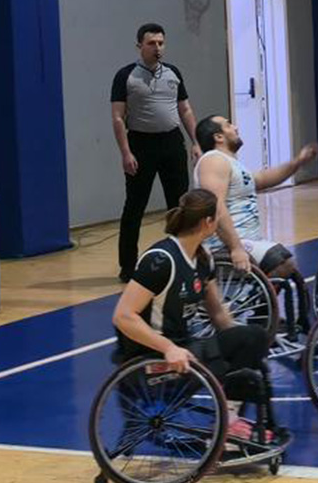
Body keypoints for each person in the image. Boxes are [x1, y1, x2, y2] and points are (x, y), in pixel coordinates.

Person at [112, 188, 271, 439]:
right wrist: (168, 348)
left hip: (185, 347)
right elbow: (122, 316)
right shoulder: (160, 260)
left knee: (253, 338)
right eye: (218, 218)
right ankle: (228, 426)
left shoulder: (202, 258)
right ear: (208, 222)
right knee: (247, 343)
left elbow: (218, 315)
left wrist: (246, 349)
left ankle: (229, 417)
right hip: (152, 359)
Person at [193, 115, 318, 333]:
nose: (235, 127)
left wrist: (297, 162)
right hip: (222, 245)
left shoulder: (231, 164)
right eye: (228, 125)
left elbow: (262, 179)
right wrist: (235, 247)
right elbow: (216, 206)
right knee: (282, 261)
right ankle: (259, 318)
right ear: (218, 137)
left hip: (245, 241)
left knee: (286, 266)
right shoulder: (213, 161)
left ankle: (262, 315)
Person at [111, 23, 203, 282]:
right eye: (151, 43)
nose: (157, 48)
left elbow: (185, 110)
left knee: (180, 205)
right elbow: (118, 117)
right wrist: (126, 153)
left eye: (161, 43)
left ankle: (184, 259)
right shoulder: (126, 76)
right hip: (141, 145)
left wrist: (196, 141)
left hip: (171, 143)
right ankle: (128, 266)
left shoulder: (173, 73)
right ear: (139, 46)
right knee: (134, 206)